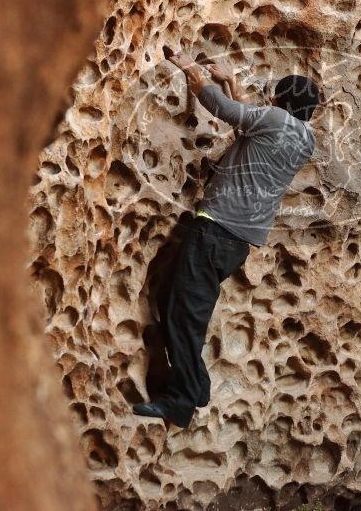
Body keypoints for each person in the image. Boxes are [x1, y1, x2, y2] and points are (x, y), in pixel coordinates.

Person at [133, 50, 321, 427]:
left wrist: (189, 67)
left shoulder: (274, 119)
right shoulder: (304, 138)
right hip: (234, 241)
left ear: (279, 100)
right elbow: (247, 127)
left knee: (186, 315)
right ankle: (195, 386)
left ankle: (183, 400)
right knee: (175, 304)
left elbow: (220, 108)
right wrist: (232, 82)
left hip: (216, 231)